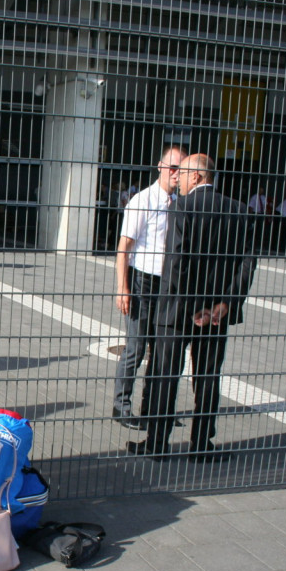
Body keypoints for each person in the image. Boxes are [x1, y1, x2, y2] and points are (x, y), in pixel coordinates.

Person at [130, 153, 255, 462]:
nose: (178, 180)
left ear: (197, 177)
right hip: (217, 315)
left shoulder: (183, 207)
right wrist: (224, 303)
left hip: (178, 309)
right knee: (209, 376)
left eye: (182, 174)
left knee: (165, 374)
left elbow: (177, 262)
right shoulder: (240, 211)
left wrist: (196, 306)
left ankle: (157, 443)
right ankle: (201, 444)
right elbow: (246, 264)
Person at [112, 146, 184, 430]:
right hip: (142, 280)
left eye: (182, 169)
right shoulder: (143, 201)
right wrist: (123, 287)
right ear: (160, 166)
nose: (177, 174)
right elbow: (124, 247)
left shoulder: (177, 202)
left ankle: (153, 408)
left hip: (165, 284)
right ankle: (122, 406)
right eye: (173, 167)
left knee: (161, 348)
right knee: (136, 347)